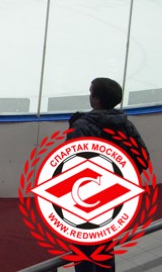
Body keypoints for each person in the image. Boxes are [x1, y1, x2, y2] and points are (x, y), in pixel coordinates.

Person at [69, 77, 150, 272]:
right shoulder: (125, 124)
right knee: (104, 246)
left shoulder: (82, 126)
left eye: (91, 93)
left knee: (84, 250)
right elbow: (143, 159)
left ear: (97, 100)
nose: (89, 96)